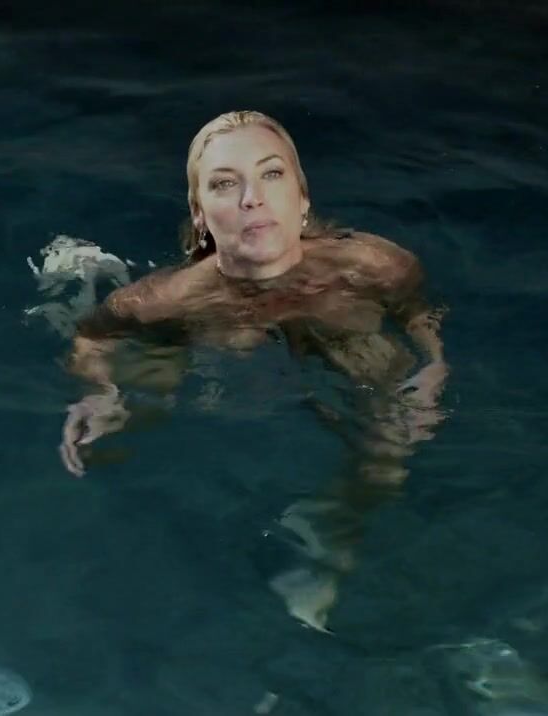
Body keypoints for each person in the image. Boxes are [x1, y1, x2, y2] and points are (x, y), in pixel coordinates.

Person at [58, 110, 449, 630]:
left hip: (335, 319)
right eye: (225, 183)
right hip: (223, 337)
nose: (252, 198)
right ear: (200, 214)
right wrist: (98, 392)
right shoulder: (168, 298)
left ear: (302, 198)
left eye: (272, 174)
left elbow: (418, 312)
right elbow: (92, 337)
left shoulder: (371, 264)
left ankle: (329, 533)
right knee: (115, 437)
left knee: (389, 444)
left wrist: (434, 365)